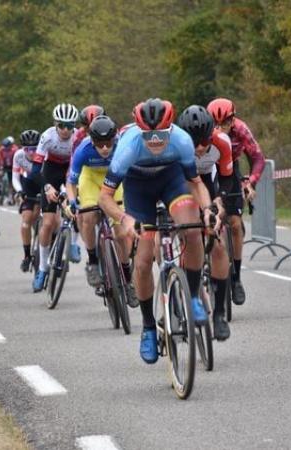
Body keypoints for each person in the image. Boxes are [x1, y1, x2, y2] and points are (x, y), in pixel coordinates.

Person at [99, 98, 221, 364]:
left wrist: (209, 209)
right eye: (149, 135)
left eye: (160, 135)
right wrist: (125, 219)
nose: (154, 141)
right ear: (140, 131)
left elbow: (196, 183)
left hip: (171, 180)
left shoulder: (182, 141)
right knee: (142, 262)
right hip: (138, 187)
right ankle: (148, 327)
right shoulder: (128, 147)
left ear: (171, 129)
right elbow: (104, 198)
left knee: (191, 228)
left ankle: (191, 296)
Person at [65, 115, 139, 306]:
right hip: (90, 179)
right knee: (88, 215)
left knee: (122, 234)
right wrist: (73, 201)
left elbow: (133, 174)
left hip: (114, 181)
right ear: (92, 141)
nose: (105, 148)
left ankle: (127, 277)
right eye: (100, 144)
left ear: (114, 139)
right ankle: (92, 261)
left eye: (108, 143)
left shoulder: (123, 146)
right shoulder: (83, 149)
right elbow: (71, 181)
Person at [177, 105, 234, 340]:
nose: (200, 147)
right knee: (187, 236)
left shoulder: (222, 142)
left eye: (204, 141)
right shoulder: (177, 144)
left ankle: (219, 313)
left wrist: (219, 204)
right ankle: (175, 296)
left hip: (210, 185)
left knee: (219, 245)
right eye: (195, 143)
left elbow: (227, 179)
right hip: (182, 185)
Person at [207, 97, 266, 306]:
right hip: (207, 169)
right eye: (215, 124)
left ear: (233, 120)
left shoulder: (241, 129)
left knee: (234, 224)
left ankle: (236, 278)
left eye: (224, 123)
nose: (220, 128)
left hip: (230, 170)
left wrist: (250, 182)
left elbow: (258, 158)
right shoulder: (206, 131)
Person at [30, 103, 81, 292]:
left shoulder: (78, 137)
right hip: (50, 171)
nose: (66, 130)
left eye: (70, 125)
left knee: (76, 207)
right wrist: (47, 186)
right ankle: (42, 269)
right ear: (55, 124)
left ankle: (74, 243)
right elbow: (35, 170)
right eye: (61, 125)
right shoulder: (47, 136)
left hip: (71, 170)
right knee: (49, 223)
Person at [12, 129, 42, 272]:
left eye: (34, 148)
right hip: (28, 184)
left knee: (51, 220)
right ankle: (27, 256)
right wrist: (19, 191)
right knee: (26, 222)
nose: (31, 152)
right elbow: (15, 177)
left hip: (43, 183)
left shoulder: (45, 154)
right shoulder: (18, 156)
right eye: (27, 149)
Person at [0, 136, 17, 205]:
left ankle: (12, 197)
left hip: (12, 167)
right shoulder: (1, 150)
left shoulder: (15, 149)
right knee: (1, 179)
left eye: (7, 146)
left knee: (12, 183)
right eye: (5, 146)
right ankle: (0, 193)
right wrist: (0, 167)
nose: (6, 148)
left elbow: (17, 160)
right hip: (4, 167)